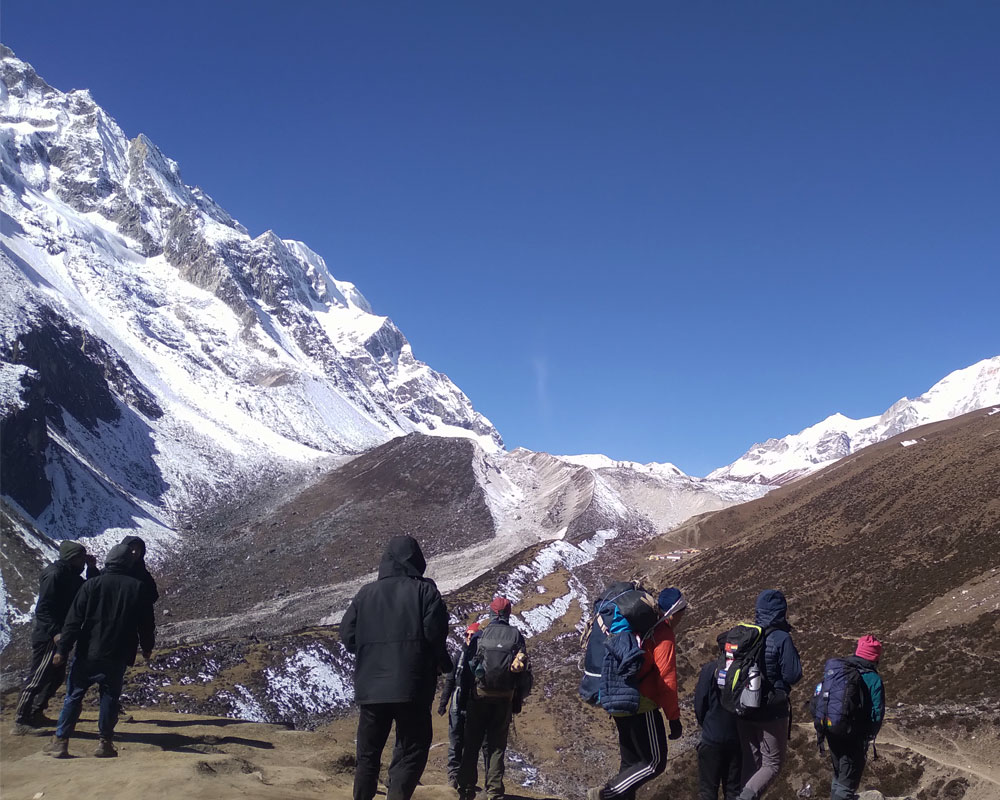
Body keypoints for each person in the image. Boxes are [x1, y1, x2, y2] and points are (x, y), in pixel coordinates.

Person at [341, 535, 452, 800]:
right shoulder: (426, 592)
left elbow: (347, 635)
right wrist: (443, 665)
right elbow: (434, 635)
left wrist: (372, 651)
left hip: (371, 688)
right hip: (412, 686)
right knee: (411, 750)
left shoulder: (365, 594)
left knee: (368, 755)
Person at [42, 543, 155, 758]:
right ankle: (104, 743)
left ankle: (61, 741)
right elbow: (146, 623)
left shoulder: (91, 585)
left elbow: (73, 621)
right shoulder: (137, 588)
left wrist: (62, 649)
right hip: (118, 653)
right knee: (110, 697)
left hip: (88, 650)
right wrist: (147, 647)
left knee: (73, 695)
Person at [588, 587, 687, 800]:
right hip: (641, 703)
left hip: (617, 697)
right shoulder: (663, 634)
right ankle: (605, 794)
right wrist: (674, 719)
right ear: (675, 612)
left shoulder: (640, 628)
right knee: (654, 763)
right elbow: (666, 681)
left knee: (631, 764)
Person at [11, 540, 99, 735]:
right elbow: (43, 609)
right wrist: (55, 633)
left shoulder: (71, 576)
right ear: (72, 557)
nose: (83, 562)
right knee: (38, 676)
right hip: (49, 636)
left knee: (56, 676)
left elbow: (91, 589)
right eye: (81, 558)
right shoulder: (55, 575)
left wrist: (92, 568)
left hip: (62, 634)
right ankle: (20, 721)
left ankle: (36, 712)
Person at [457, 597, 531, 800]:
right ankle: (494, 791)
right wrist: (517, 700)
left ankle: (465, 788)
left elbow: (467, 671)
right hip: (504, 699)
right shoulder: (516, 636)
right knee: (497, 745)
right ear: (508, 613)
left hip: (479, 696)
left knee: (471, 743)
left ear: (491, 613)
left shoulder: (481, 634)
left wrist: (463, 698)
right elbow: (524, 672)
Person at [735, 589, 803, 800]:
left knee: (752, 762)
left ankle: (743, 794)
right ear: (781, 611)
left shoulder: (748, 634)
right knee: (772, 764)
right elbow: (793, 675)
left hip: (744, 707)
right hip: (771, 710)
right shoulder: (781, 638)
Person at [823, 636, 886, 800]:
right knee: (847, 782)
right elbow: (876, 713)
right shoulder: (873, 679)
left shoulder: (842, 669)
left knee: (839, 775)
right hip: (855, 736)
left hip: (833, 730)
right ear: (875, 657)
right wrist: (870, 733)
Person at [438, 622, 488, 788]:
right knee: (455, 740)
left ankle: (466, 780)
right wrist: (443, 703)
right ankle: (453, 776)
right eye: (467, 634)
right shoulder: (459, 655)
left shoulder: (481, 657)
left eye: (472, 635)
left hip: (473, 703)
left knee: (469, 743)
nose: (468, 638)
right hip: (457, 702)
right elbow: (450, 680)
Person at [695, 633, 742, 800]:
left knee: (708, 791)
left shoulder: (710, 669)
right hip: (737, 739)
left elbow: (700, 703)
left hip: (711, 737)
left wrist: (706, 725)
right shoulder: (744, 670)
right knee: (734, 791)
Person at [117, 535, 159, 721]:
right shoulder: (113, 571)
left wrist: (147, 644)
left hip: (126, 633)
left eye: (138, 549)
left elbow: (146, 613)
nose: (135, 552)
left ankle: (110, 711)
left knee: (116, 673)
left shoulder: (143, 576)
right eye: (131, 548)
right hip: (106, 630)